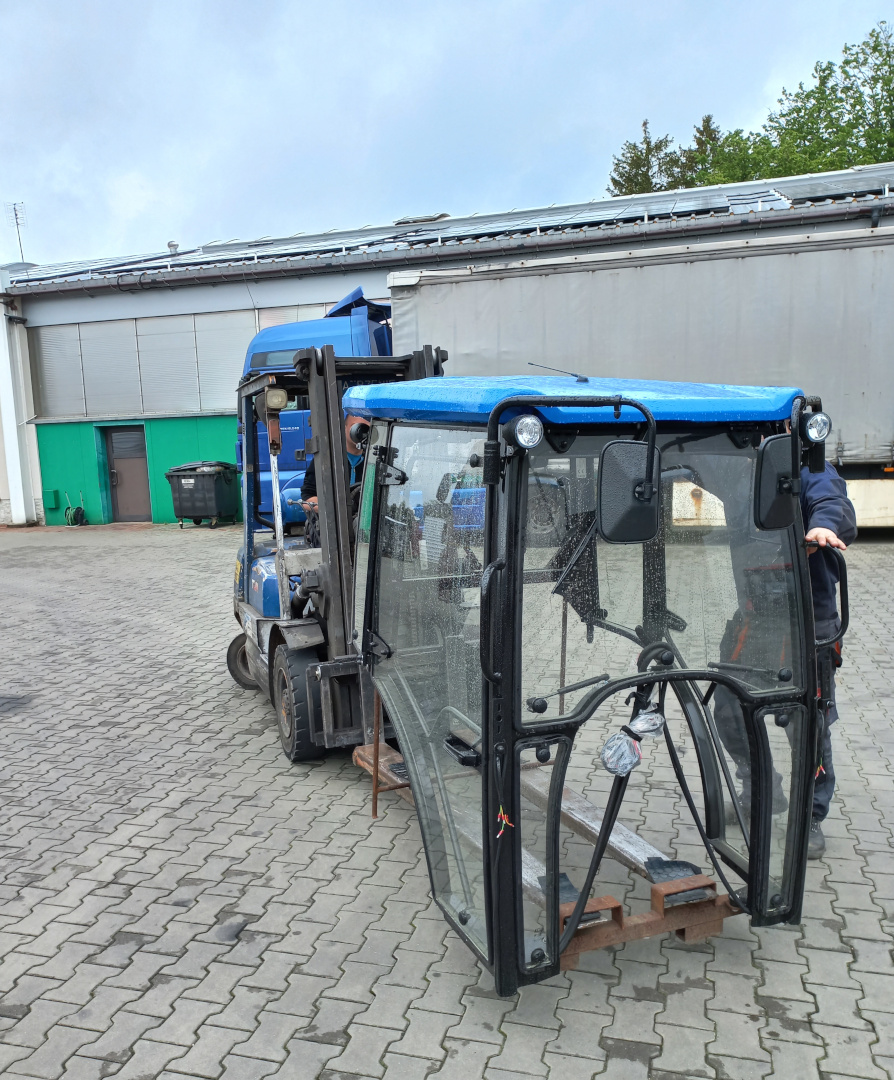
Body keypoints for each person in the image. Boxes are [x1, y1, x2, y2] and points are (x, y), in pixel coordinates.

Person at [801, 460, 857, 858]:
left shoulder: (810, 466)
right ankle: (758, 787)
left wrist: (823, 525)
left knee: (811, 723)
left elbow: (831, 501)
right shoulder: (742, 462)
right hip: (756, 613)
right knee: (730, 710)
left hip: (812, 619)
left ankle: (811, 814)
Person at [300, 414, 369, 543]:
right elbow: (308, 498)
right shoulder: (327, 460)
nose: (361, 433)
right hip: (331, 530)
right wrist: (337, 511)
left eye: (366, 428)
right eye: (356, 427)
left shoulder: (372, 461)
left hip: (364, 528)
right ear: (344, 428)